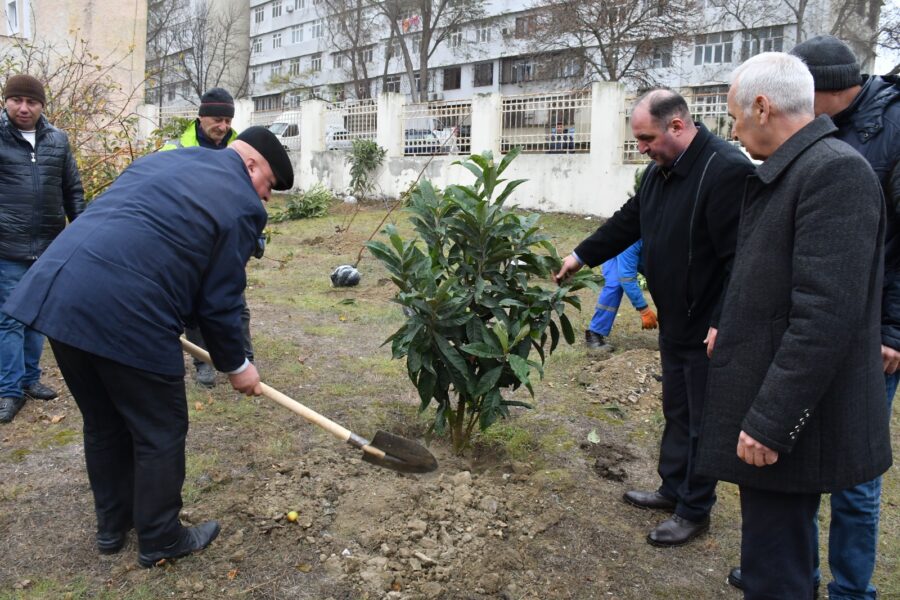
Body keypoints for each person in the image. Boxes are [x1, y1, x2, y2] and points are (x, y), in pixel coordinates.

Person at [1, 126, 293, 568]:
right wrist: (238, 365)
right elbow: (220, 302)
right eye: (268, 185)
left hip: (60, 297)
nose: (266, 198)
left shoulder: (164, 160)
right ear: (250, 165)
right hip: (129, 311)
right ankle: (161, 537)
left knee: (104, 424)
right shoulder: (242, 203)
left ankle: (112, 527)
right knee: (160, 430)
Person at [696, 52, 891, 600]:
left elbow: (824, 315)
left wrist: (771, 421)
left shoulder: (833, 172)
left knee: (776, 570)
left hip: (792, 419)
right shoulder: (793, 170)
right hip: (771, 398)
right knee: (773, 557)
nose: (734, 132)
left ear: (762, 107)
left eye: (735, 118)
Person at [553, 89, 754, 546]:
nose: (641, 148)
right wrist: (581, 255)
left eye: (646, 139)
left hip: (707, 325)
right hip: (675, 317)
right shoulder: (660, 171)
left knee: (702, 420)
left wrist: (723, 320)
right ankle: (672, 489)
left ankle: (694, 510)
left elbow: (742, 259)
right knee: (677, 411)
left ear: (677, 126)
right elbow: (630, 220)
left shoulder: (725, 170)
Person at [0, 74, 84, 424]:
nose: (24, 108)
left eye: (31, 101)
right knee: (9, 320)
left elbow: (72, 189)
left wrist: (82, 234)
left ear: (42, 106)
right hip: (7, 247)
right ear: (5, 101)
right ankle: (9, 390)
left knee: (37, 317)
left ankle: (30, 379)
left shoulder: (57, 140)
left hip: (49, 247)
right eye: (16, 100)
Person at [161, 87, 255, 388]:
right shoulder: (175, 150)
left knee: (235, 302)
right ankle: (203, 363)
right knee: (194, 308)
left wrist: (256, 234)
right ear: (201, 117)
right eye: (217, 120)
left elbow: (253, 196)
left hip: (228, 241)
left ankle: (244, 358)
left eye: (228, 121)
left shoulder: (241, 151)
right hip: (190, 243)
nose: (223, 127)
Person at [585, 240, 657, 351]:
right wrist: (644, 310)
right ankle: (594, 332)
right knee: (615, 285)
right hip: (618, 248)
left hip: (643, 253)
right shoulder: (632, 241)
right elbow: (627, 278)